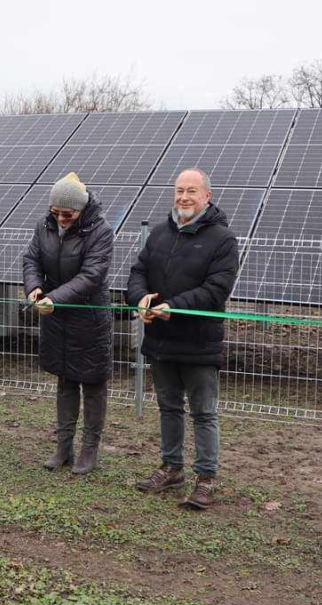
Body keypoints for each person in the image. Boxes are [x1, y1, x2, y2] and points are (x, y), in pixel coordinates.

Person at [126, 167, 239, 509]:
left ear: (207, 196)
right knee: (169, 407)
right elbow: (137, 273)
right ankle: (172, 467)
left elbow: (217, 289)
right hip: (160, 339)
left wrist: (174, 306)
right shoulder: (159, 234)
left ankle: (205, 477)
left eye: (192, 191)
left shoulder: (222, 239)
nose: (184, 197)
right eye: (179, 190)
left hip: (198, 341)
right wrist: (140, 298)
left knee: (203, 412)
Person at [22, 172, 114, 475]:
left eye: (68, 213)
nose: (61, 218)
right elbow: (31, 259)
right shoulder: (43, 225)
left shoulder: (100, 231)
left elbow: (92, 276)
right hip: (56, 318)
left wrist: (54, 298)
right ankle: (64, 446)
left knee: (93, 384)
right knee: (65, 380)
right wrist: (35, 288)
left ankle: (89, 450)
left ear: (81, 209)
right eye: (56, 212)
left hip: (89, 319)